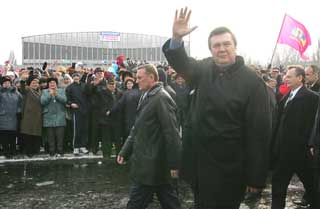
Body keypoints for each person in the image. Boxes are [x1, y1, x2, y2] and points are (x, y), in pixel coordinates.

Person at [162, 7, 272, 208]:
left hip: (229, 170)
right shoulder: (203, 69)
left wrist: (256, 178)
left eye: (226, 44)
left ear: (235, 46)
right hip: (198, 165)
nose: (222, 49)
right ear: (211, 50)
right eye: (216, 46)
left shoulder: (253, 83)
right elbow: (182, 64)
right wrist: (176, 39)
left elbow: (259, 133)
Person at [117, 64, 182, 209]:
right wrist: (125, 150)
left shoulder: (161, 98)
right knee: (169, 201)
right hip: (150, 165)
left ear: (151, 77)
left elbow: (171, 133)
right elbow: (137, 128)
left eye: (140, 78)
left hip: (152, 165)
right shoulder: (147, 95)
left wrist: (174, 164)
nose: (136, 81)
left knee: (136, 203)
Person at [271, 66, 318, 209]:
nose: (285, 78)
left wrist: (312, 145)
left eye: (289, 76)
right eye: (285, 76)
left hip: (301, 153)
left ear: (300, 78)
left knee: (312, 187)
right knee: (278, 187)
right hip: (283, 152)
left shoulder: (313, 98)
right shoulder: (287, 96)